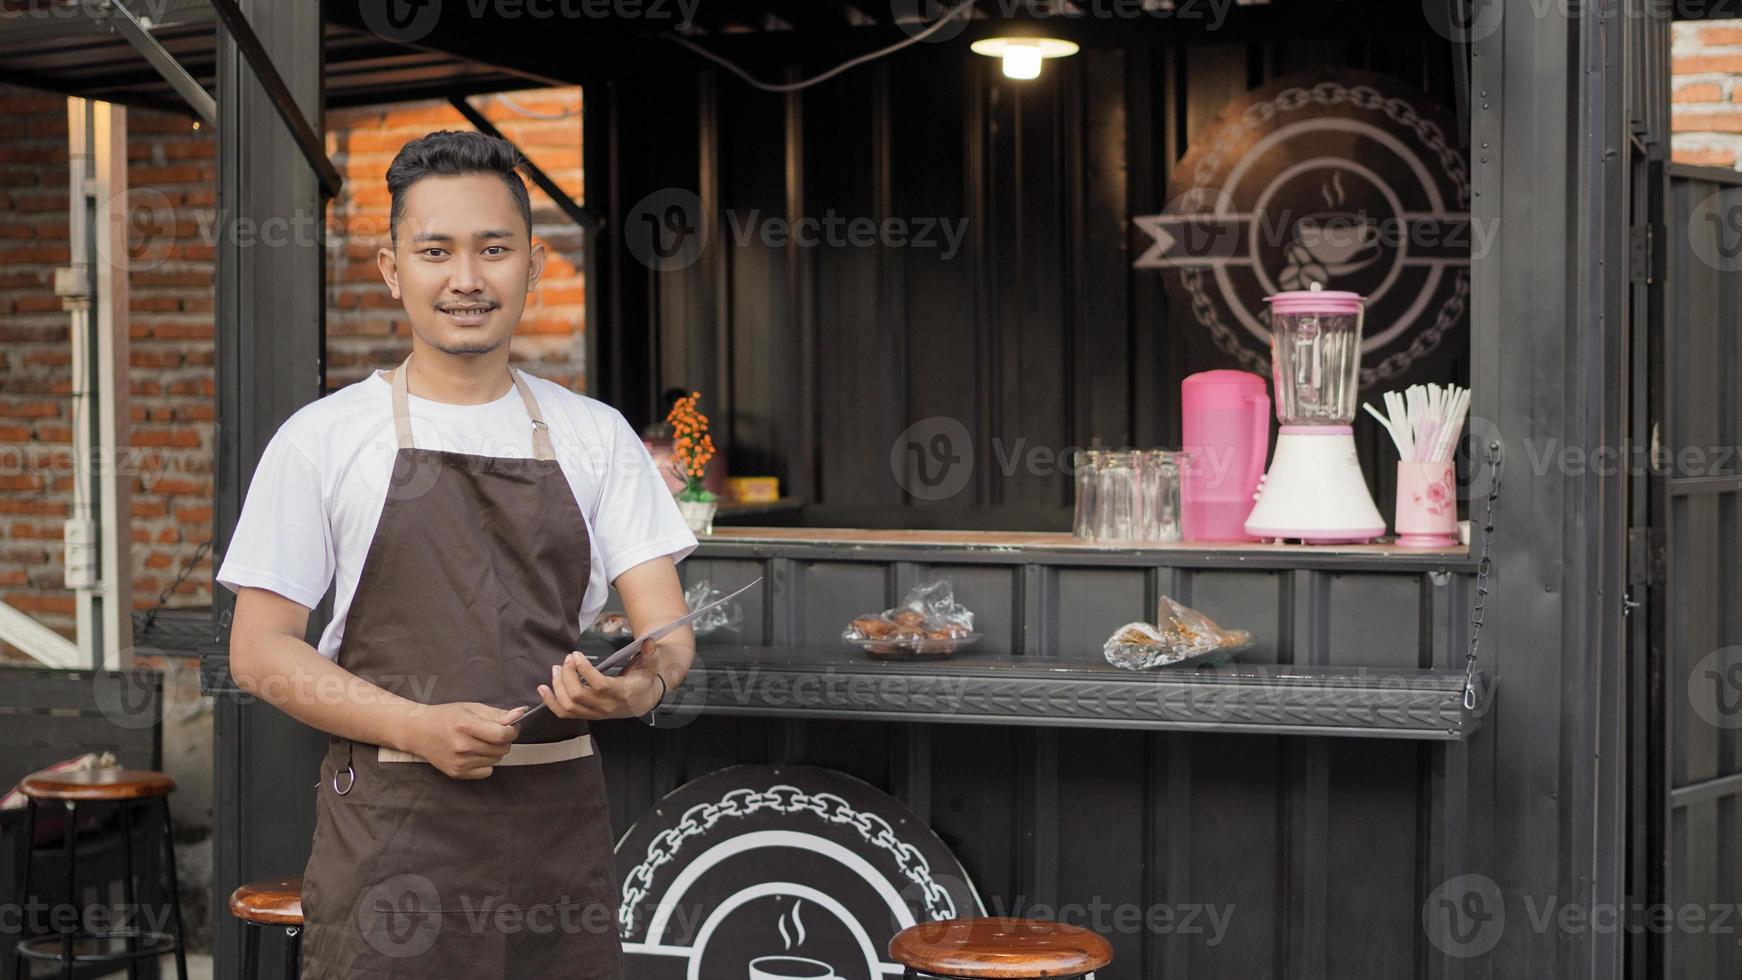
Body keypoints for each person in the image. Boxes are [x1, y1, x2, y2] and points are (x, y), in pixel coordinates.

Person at [217, 130, 698, 978]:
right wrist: (416, 725)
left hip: (558, 840)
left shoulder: (597, 435)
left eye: (493, 249)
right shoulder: (322, 439)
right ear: (392, 268)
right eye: (435, 251)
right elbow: (259, 654)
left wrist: (636, 688)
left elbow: (668, 634)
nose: (467, 279)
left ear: (534, 264)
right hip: (391, 843)